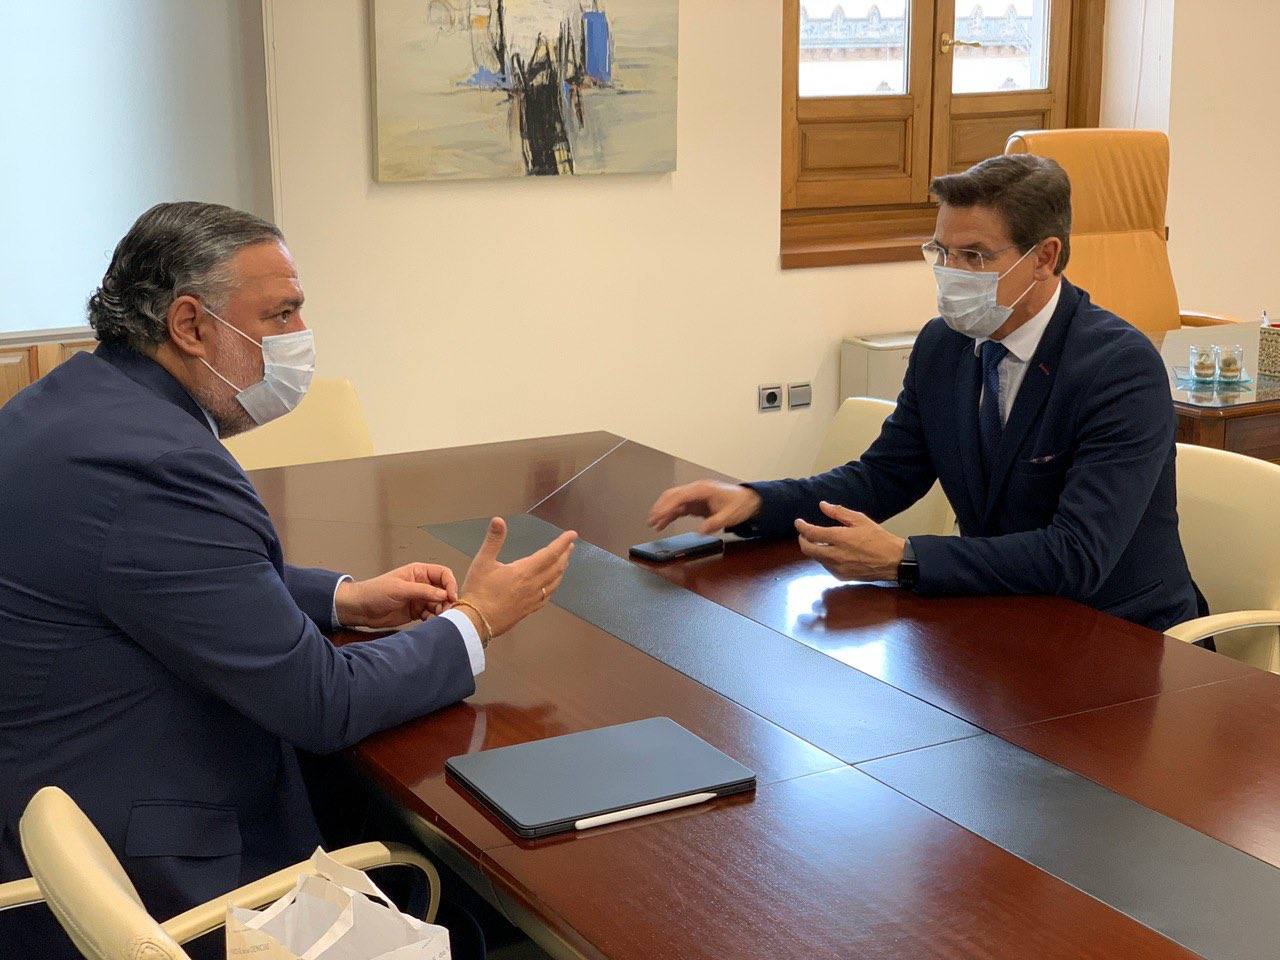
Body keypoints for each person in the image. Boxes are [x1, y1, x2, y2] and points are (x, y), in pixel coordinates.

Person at [0, 202, 576, 956]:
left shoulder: (75, 405)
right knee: (470, 905)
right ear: (190, 325)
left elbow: (166, 574)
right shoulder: (158, 462)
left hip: (59, 789)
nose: (299, 337)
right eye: (282, 313)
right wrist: (474, 621)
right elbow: (324, 701)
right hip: (153, 864)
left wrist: (343, 596)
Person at [649, 154, 1201, 633]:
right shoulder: (946, 345)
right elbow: (885, 476)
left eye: (976, 257)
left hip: (1119, 635)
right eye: (943, 252)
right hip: (1001, 619)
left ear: (1045, 257)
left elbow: (1078, 556)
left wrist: (904, 558)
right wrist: (757, 502)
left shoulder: (1120, 369)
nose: (953, 274)